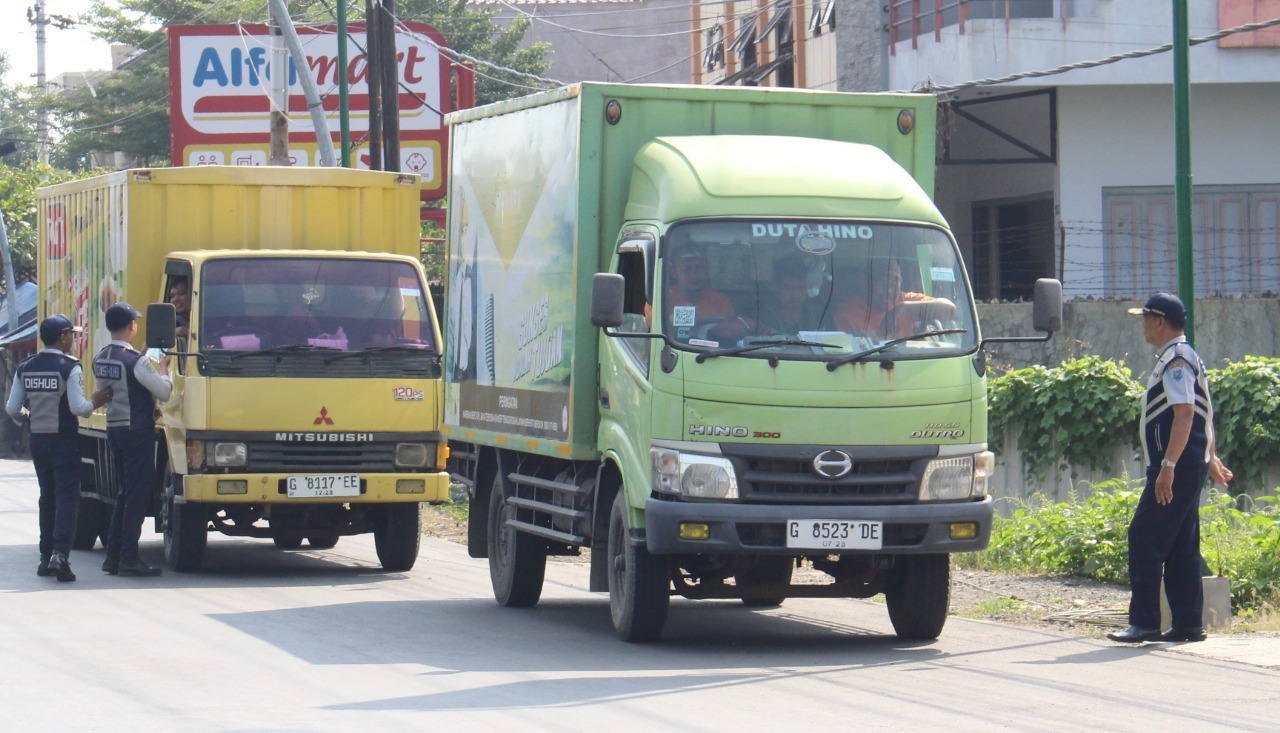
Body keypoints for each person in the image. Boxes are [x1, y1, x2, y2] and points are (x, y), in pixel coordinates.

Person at [1107, 293, 1233, 644]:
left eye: (1146, 319)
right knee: (1180, 545)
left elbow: (1186, 413)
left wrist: (1168, 466)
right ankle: (1187, 624)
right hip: (1185, 464)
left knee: (1144, 537)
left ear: (1160, 322)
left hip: (1173, 468)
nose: (1143, 325)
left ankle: (1144, 623)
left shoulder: (1176, 360)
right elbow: (1202, 413)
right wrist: (1208, 457)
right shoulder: (1179, 357)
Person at [5, 315, 111, 582]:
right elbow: (79, 408)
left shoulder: (25, 367)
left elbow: (12, 409)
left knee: (47, 497)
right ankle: (60, 555)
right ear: (62, 337)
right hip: (64, 440)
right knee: (67, 498)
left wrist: (30, 416)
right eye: (71, 335)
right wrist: (96, 401)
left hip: (38, 441)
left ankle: (45, 557)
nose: (73, 339)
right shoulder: (69, 367)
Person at [93, 303, 173, 577]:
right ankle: (128, 558)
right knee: (136, 496)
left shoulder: (102, 357)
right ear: (132, 326)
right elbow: (163, 392)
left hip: (114, 430)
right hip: (137, 431)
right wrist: (164, 369)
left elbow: (106, 393)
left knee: (124, 493)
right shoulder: (136, 361)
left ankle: (113, 557)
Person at [833, 258, 955, 339]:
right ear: (868, 284)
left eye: (894, 285)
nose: (889, 291)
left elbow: (950, 309)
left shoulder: (905, 299)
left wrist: (902, 308)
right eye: (882, 284)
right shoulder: (847, 312)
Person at [664, 248, 745, 341]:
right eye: (686, 269)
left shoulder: (720, 300)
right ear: (674, 272)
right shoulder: (661, 299)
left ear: (707, 271)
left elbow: (731, 332)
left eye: (699, 268)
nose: (694, 275)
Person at [760, 255, 823, 334]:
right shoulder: (761, 317)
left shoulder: (819, 316)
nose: (795, 294)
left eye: (800, 288)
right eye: (788, 288)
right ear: (777, 288)